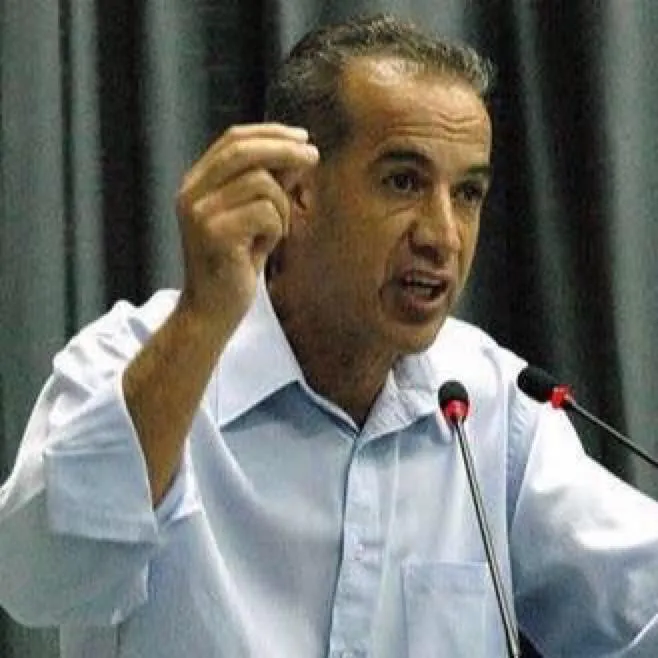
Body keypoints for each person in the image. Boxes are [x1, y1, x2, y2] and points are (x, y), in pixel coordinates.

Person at [0, 13, 657, 658]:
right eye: (403, 181)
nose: (443, 236)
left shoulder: (489, 403)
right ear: (296, 193)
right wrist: (202, 320)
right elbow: (34, 578)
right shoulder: (135, 360)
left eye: (467, 194)